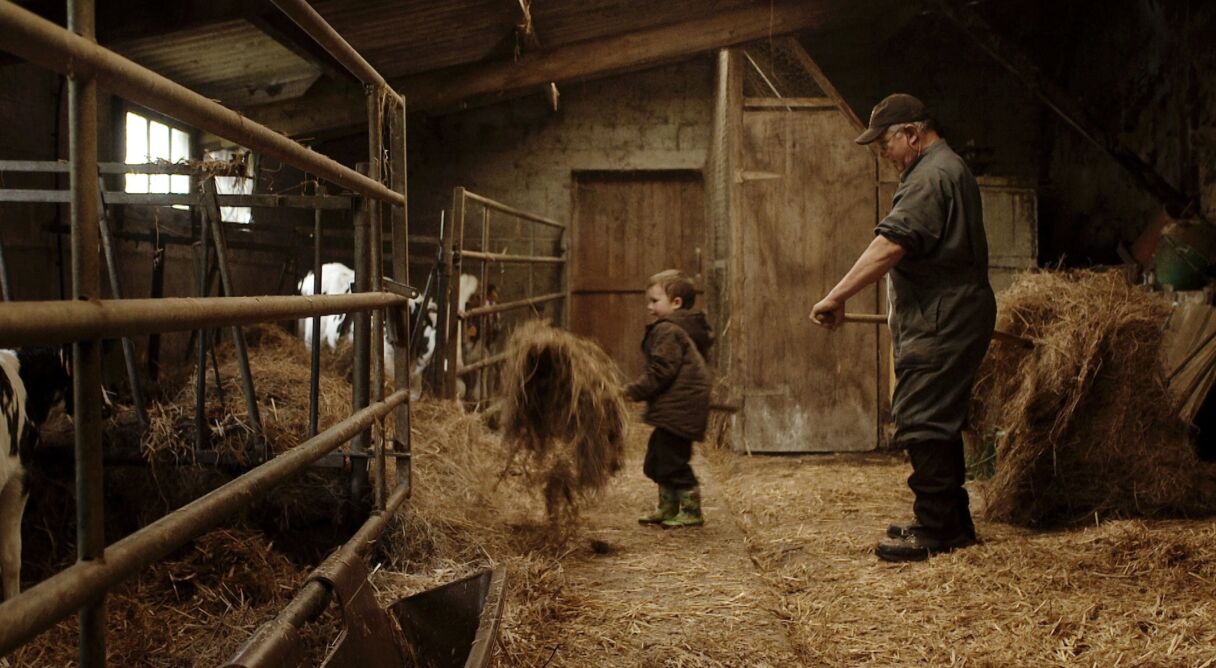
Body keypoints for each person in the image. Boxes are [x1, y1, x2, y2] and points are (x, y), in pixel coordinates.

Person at [810, 93, 995, 562]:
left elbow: (891, 245)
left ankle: (938, 529)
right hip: (948, 312)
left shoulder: (931, 176)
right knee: (935, 415)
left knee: (923, 415)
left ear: (912, 134)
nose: (884, 155)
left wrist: (837, 294)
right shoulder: (942, 169)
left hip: (942, 317)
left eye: (885, 144)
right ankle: (950, 522)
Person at [626, 269, 714, 528]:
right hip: (677, 408)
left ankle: (690, 509)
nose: (650, 307)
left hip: (681, 409)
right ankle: (668, 506)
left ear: (676, 303)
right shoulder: (677, 328)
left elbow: (661, 371)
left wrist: (633, 391)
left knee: (672, 460)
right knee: (656, 459)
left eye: (654, 301)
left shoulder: (668, 330)